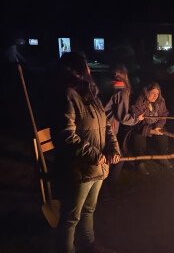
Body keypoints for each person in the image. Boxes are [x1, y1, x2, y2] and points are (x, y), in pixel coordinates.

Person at [51, 52, 120, 253]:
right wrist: (93, 154)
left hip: (97, 167)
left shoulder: (91, 95)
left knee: (89, 210)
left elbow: (107, 127)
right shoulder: (67, 95)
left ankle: (89, 245)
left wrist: (113, 148)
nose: (90, 69)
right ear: (78, 71)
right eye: (86, 66)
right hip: (79, 169)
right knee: (71, 217)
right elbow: (67, 134)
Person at [104, 63, 144, 184]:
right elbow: (122, 116)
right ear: (125, 75)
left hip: (101, 123)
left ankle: (105, 182)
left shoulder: (107, 85)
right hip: (109, 126)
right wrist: (137, 118)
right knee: (117, 155)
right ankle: (111, 183)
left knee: (108, 152)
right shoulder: (121, 90)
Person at [131, 82, 172, 175]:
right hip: (142, 126)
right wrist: (150, 131)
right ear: (146, 92)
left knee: (163, 135)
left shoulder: (161, 101)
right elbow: (137, 122)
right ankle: (140, 163)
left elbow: (164, 114)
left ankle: (162, 157)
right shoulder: (139, 102)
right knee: (138, 138)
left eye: (157, 93)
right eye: (153, 93)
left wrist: (158, 127)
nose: (155, 96)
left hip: (156, 124)